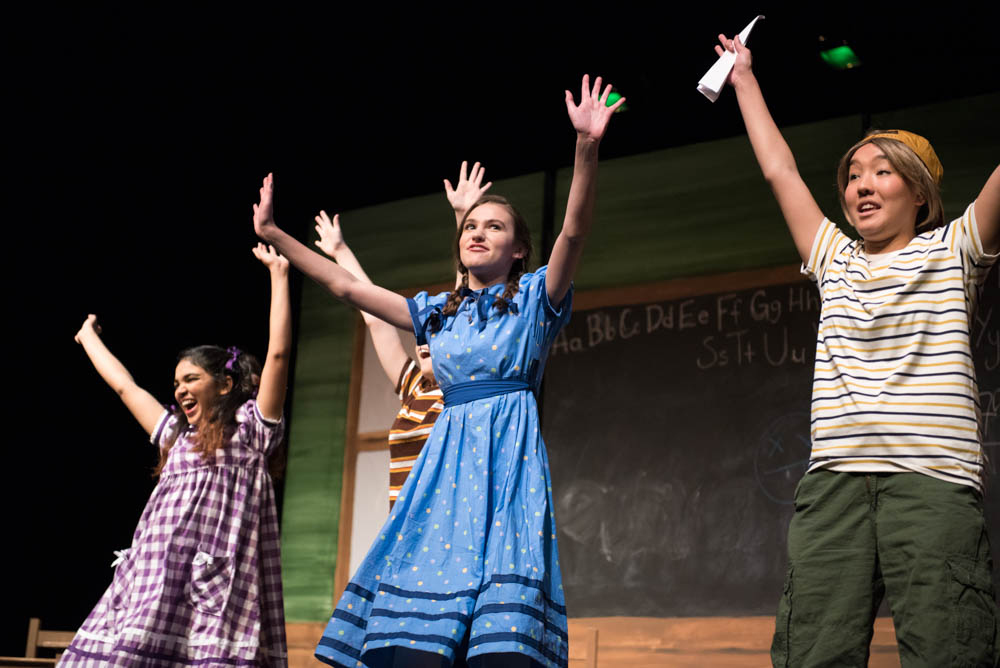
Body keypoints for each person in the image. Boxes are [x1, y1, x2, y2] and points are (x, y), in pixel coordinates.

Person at [252, 74, 624, 668]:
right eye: (471, 227)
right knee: (419, 644)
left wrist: (585, 148)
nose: (478, 233)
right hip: (444, 474)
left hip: (507, 472)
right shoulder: (436, 313)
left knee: (497, 645)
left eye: (494, 226)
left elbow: (574, 232)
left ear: (519, 249)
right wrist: (276, 234)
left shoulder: (533, 300)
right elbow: (346, 286)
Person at [716, 32, 1000, 667]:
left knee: (950, 650)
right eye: (851, 176)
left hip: (932, 484)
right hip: (835, 487)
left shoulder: (954, 250)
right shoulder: (834, 257)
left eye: (882, 172)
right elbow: (779, 169)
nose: (861, 186)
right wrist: (744, 78)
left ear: (920, 194)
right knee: (813, 652)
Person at [60, 243, 292, 667]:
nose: (180, 389)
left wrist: (279, 275)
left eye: (191, 379)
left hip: (217, 588)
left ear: (224, 385)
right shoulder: (175, 437)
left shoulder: (253, 432)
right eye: (176, 383)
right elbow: (126, 387)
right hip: (155, 579)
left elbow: (278, 353)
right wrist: (88, 337)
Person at [312, 161, 492, 508]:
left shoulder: (461, 391)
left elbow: (460, 302)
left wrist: (464, 218)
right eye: (422, 338)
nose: (424, 343)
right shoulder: (414, 388)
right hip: (404, 532)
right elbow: (375, 319)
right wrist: (340, 252)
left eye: (436, 336)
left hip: (449, 530)